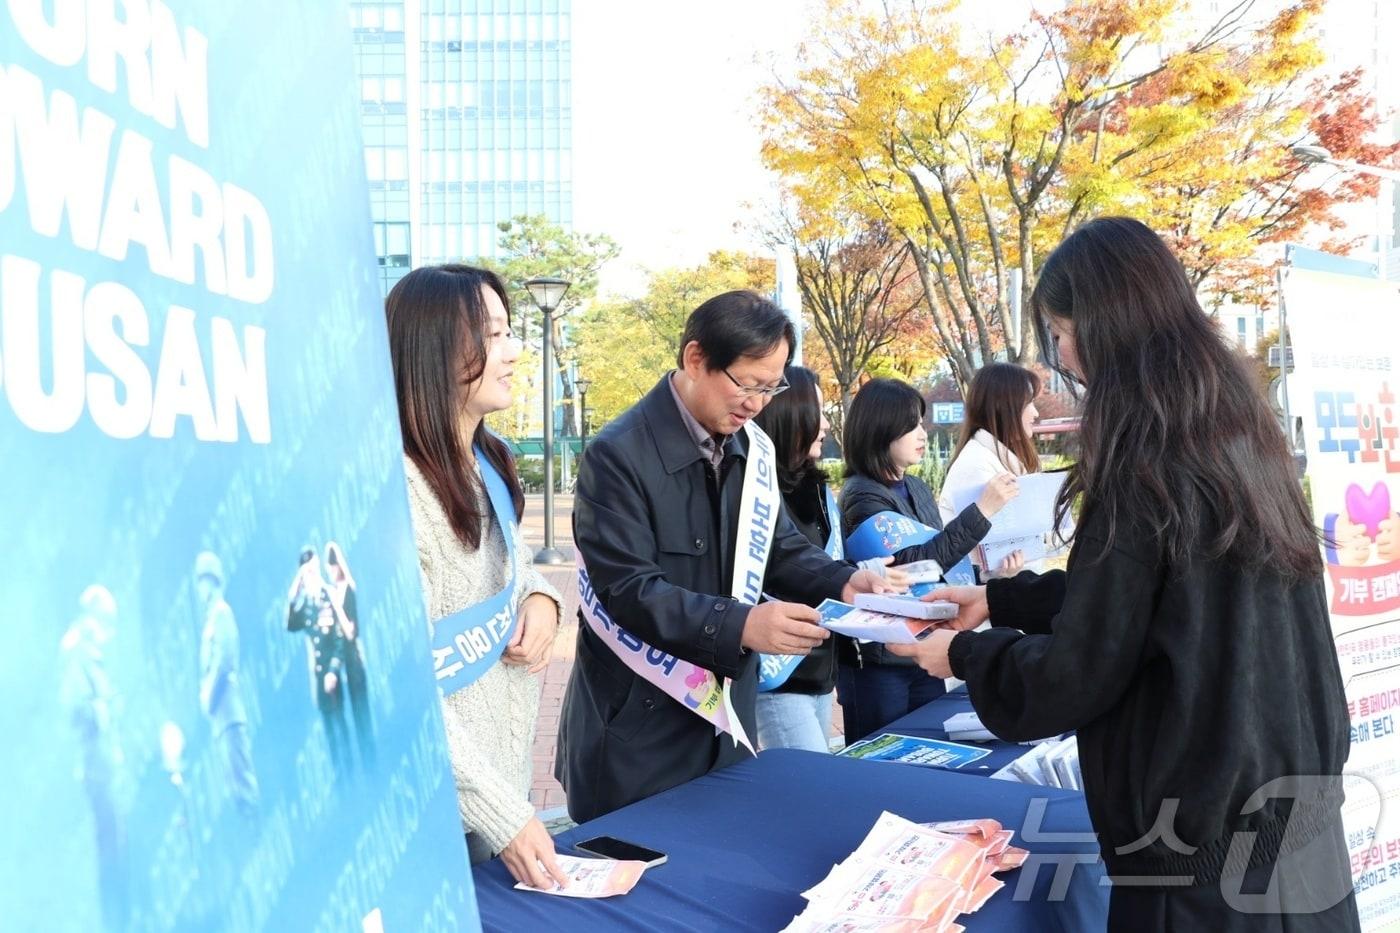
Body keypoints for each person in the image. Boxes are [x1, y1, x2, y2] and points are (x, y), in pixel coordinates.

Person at [892, 217, 1356, 930]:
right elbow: (1162, 600)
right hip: (1297, 828)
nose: (1064, 356)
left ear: (1109, 324)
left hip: (1199, 866)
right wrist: (998, 599)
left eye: (1062, 330)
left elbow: (1081, 668)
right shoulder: (1238, 432)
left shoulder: (1143, 460)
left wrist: (961, 653)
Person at [556, 290, 893, 822]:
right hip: (638, 726)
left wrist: (846, 582)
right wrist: (743, 626)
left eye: (770, 387)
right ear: (695, 359)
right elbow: (627, 589)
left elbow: (779, 548)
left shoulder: (750, 448)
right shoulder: (618, 454)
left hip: (727, 720)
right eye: (747, 383)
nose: (757, 403)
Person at [387, 263, 567, 891]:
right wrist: (506, 816)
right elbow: (400, 684)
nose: (514, 351)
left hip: (495, 797)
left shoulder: (486, 460)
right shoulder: (400, 496)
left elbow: (515, 573)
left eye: (510, 330)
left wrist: (543, 603)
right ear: (433, 350)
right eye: (492, 335)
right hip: (436, 812)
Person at [836, 377, 1019, 742]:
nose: (922, 433)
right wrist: (982, 510)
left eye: (921, 423)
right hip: (880, 659)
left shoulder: (916, 487)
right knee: (881, 759)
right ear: (881, 428)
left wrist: (988, 578)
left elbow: (943, 563)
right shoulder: (861, 496)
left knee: (930, 746)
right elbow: (913, 567)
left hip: (925, 644)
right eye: (911, 425)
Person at [937, 362, 1046, 576]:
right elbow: (981, 560)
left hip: (1009, 592)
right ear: (1004, 407)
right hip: (992, 598)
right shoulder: (977, 465)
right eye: (1029, 403)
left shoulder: (995, 458)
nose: (1035, 413)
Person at [194, 551, 260, 816]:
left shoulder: (222, 614)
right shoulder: (209, 620)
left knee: (243, 784)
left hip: (229, 714)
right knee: (233, 787)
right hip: (220, 719)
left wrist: (207, 695)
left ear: (211, 581)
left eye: (202, 581)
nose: (199, 589)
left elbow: (224, 660)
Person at [286, 548, 354, 776]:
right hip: (318, 681)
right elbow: (290, 624)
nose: (312, 576)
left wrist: (333, 672)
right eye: (308, 573)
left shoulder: (329, 597)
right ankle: (340, 779)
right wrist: (296, 586)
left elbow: (339, 639)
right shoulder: (305, 605)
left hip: (333, 678)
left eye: (314, 571)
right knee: (330, 736)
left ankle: (351, 776)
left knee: (342, 729)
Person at [325, 541, 374, 770]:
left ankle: (370, 764)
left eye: (332, 568)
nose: (331, 573)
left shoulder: (348, 590)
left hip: (354, 663)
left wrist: (336, 605)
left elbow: (351, 631)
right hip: (342, 664)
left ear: (338, 566)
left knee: (361, 716)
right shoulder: (336, 591)